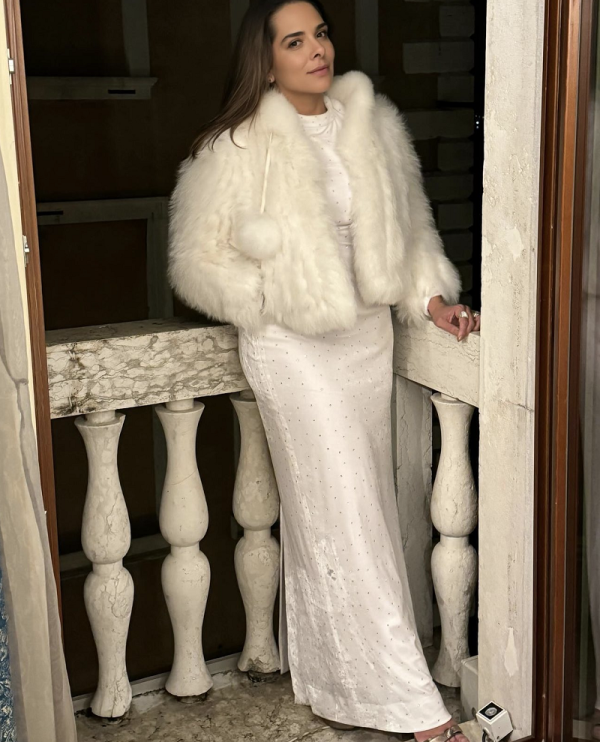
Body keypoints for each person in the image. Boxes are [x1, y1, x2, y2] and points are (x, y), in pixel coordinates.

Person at [168, 1, 480, 739]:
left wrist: (432, 301)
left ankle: (336, 679)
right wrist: (272, 298)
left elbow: (408, 234)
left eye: (322, 33)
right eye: (295, 40)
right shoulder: (237, 144)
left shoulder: (372, 125)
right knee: (346, 509)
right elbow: (197, 260)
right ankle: (412, 707)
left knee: (354, 514)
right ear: (266, 59)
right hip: (292, 350)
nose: (317, 49)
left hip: (367, 342)